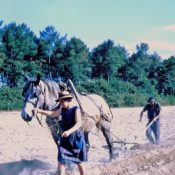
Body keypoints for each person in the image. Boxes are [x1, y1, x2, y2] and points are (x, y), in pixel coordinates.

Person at [33, 90, 87, 175]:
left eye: (62, 101)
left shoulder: (75, 109)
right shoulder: (62, 109)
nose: (60, 103)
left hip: (75, 138)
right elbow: (52, 114)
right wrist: (39, 110)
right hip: (65, 139)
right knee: (61, 160)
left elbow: (78, 123)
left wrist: (68, 132)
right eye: (60, 101)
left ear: (68, 100)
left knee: (79, 161)